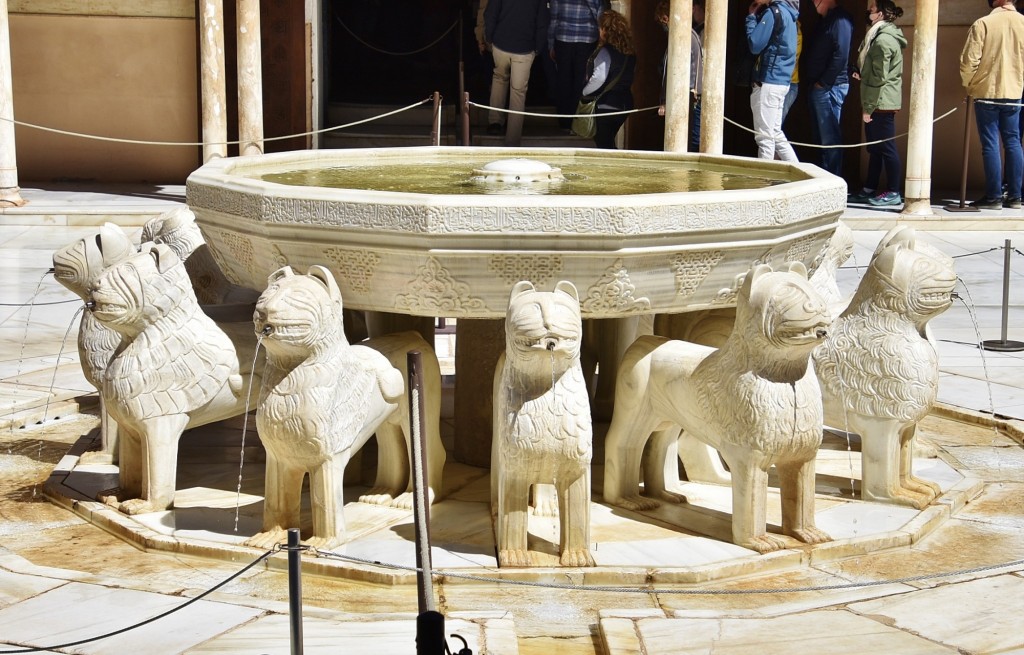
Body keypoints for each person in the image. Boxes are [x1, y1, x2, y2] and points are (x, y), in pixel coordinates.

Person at [960, 0, 1024, 210]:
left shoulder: (983, 23)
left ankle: (994, 196)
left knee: (990, 144)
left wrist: (969, 86)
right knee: (1013, 142)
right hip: (1014, 91)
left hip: (987, 92)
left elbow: (970, 61)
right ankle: (1015, 196)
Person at [848, 0, 907, 207]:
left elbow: (879, 78)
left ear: (880, 14)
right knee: (875, 148)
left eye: (872, 10)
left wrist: (869, 107)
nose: (869, 12)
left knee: (887, 148)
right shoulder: (878, 36)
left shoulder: (883, 41)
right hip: (877, 99)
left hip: (881, 101)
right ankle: (869, 188)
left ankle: (893, 191)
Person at [484, 0, 549, 145]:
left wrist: (489, 37)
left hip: (501, 43)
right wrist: (538, 47)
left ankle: (494, 122)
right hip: (524, 47)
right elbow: (542, 22)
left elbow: (490, 14)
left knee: (499, 79)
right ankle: (512, 138)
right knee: (518, 92)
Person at [803, 0, 854, 176]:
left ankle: (832, 182)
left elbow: (841, 55)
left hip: (829, 88)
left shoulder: (840, 20)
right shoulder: (825, 20)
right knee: (820, 139)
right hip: (819, 86)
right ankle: (823, 180)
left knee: (830, 138)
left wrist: (823, 83)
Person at [745, 0, 800, 161]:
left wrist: (751, 18)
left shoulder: (773, 13)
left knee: (765, 139)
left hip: (769, 82)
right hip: (781, 82)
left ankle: (764, 183)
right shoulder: (790, 16)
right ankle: (800, 173)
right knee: (775, 134)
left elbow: (755, 44)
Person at [580, 9, 636, 149]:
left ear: (605, 30)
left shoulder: (605, 52)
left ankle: (615, 169)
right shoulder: (630, 53)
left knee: (604, 144)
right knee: (607, 141)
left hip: (606, 105)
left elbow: (598, 79)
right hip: (625, 103)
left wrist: (584, 94)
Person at [655, 0, 704, 152]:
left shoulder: (683, 36)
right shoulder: (690, 35)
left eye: (663, 19)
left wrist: (664, 101)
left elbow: (673, 73)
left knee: (690, 143)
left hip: (687, 98)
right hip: (689, 97)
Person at [549, 0, 605, 132]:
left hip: (563, 38)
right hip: (587, 39)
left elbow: (554, 19)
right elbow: (600, 13)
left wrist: (550, 43)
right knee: (581, 81)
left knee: (563, 81)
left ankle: (564, 123)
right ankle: (576, 122)